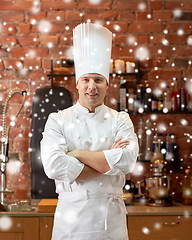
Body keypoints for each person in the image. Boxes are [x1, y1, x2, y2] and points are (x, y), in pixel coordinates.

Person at [41, 22, 139, 240]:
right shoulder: (57, 120)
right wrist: (107, 161)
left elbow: (127, 161)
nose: (91, 87)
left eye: (98, 80)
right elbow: (53, 166)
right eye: (86, 79)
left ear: (107, 84)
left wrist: (76, 155)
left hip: (110, 226)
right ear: (77, 84)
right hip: (70, 226)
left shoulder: (120, 119)